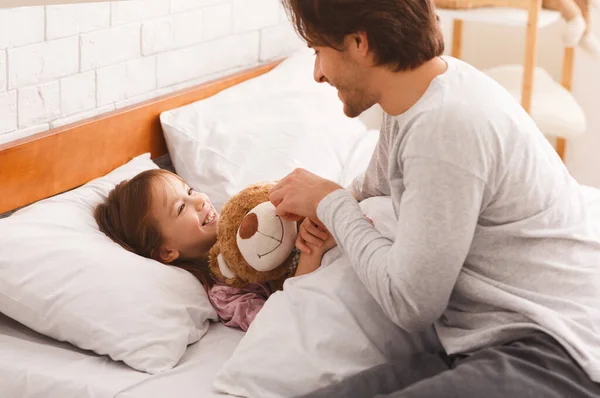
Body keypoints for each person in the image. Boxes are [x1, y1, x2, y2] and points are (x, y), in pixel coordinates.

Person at [269, 0, 600, 397]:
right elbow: (374, 186)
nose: (318, 73)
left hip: (559, 348)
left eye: (318, 51)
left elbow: (411, 304)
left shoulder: (446, 125)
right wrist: (319, 207)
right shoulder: (418, 96)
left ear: (359, 43)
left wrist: (332, 204)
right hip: (487, 342)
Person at [94, 168, 336, 331]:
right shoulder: (225, 291)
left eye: (189, 191)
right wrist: (311, 251)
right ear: (166, 252)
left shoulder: (244, 213)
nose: (199, 200)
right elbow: (280, 323)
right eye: (180, 208)